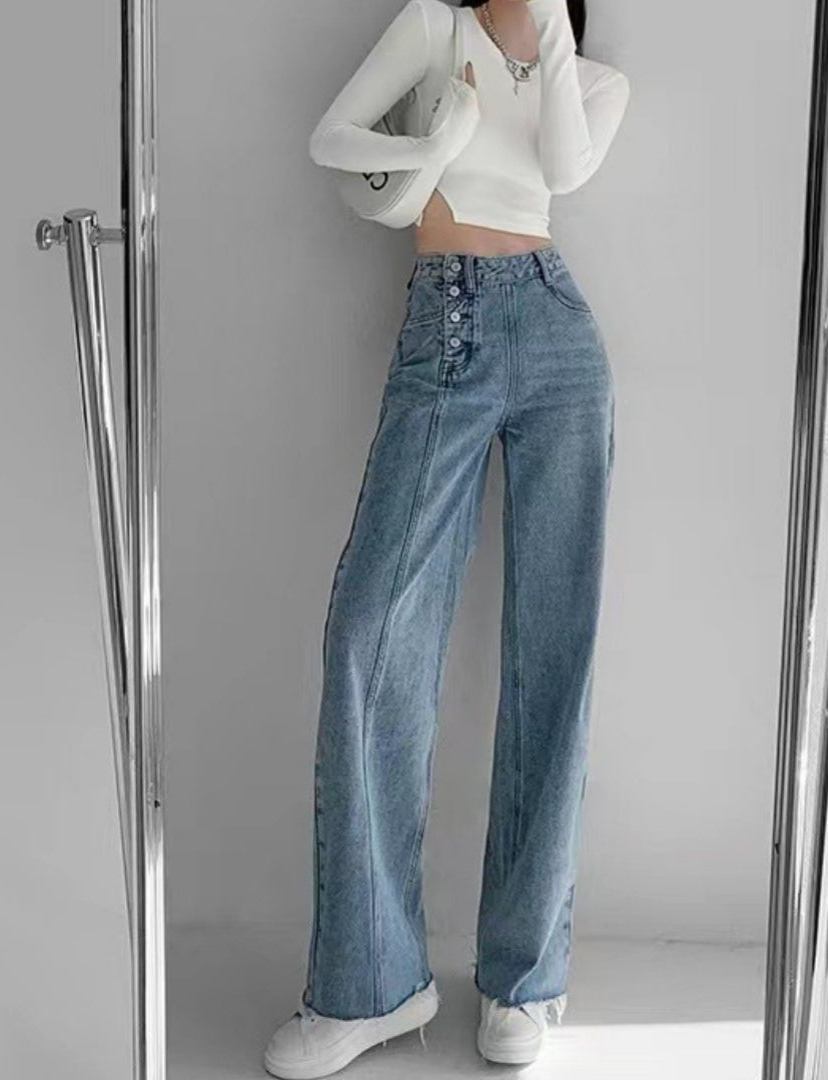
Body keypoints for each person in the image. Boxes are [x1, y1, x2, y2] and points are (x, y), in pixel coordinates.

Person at [264, 1, 629, 1075]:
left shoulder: (594, 79)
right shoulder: (434, 25)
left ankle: (526, 977)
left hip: (561, 339)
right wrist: (443, 135)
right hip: (448, 323)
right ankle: (370, 983)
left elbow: (564, 171)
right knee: (369, 642)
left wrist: (549, 36)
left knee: (554, 659)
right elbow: (332, 140)